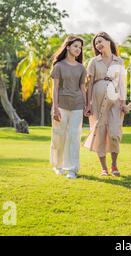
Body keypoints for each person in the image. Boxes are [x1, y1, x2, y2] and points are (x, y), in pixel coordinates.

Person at [84, 32, 127, 176]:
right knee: (100, 132)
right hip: (97, 100)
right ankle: (104, 168)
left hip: (115, 100)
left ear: (109, 41)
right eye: (96, 43)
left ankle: (114, 164)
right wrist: (88, 104)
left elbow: (122, 83)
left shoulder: (119, 61)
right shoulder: (94, 62)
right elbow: (89, 84)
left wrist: (123, 102)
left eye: (100, 41)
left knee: (114, 133)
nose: (98, 45)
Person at [50, 35, 87, 179]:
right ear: (68, 47)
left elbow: (83, 88)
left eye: (80, 47)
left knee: (74, 136)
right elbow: (55, 88)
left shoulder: (81, 68)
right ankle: (58, 165)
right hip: (62, 106)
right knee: (59, 136)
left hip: (77, 105)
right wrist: (55, 107)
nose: (78, 49)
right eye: (75, 46)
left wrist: (86, 105)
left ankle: (72, 169)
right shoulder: (59, 66)